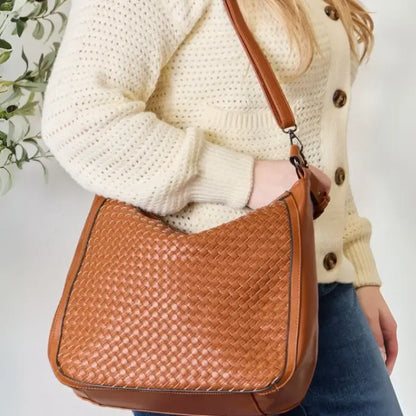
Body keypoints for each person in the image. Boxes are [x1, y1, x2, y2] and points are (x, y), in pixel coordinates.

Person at [41, 0, 403, 414]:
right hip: (200, 309)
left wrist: (361, 275)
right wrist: (245, 178)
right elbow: (79, 118)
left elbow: (318, 142)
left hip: (325, 297)